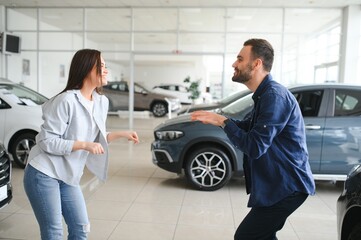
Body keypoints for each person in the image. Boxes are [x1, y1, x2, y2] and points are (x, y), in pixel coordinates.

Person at [191, 38, 315, 240]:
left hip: (288, 187)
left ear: (256, 63)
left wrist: (223, 122)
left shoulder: (274, 96)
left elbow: (255, 146)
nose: (234, 64)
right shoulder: (263, 95)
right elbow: (247, 127)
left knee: (246, 236)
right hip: (277, 185)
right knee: (262, 236)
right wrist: (219, 119)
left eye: (240, 59)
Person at [23, 49, 139, 240]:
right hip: (44, 173)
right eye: (101, 66)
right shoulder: (65, 100)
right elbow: (47, 142)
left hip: (69, 175)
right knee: (54, 231)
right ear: (86, 69)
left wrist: (120, 134)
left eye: (105, 65)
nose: (106, 70)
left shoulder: (101, 102)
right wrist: (84, 145)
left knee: (81, 228)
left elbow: (94, 138)